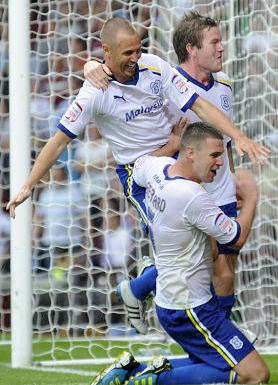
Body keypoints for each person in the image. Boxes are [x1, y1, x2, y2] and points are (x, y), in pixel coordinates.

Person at [7, 17, 269, 333]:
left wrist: (237, 136)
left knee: (216, 254)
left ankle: (151, 289)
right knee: (202, 246)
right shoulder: (94, 93)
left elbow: (199, 105)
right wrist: (27, 185)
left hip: (174, 157)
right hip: (141, 171)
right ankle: (158, 292)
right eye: (128, 53)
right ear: (106, 51)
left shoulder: (155, 66)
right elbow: (59, 140)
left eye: (138, 50)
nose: (135, 58)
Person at [90, 123, 269, 385]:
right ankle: (148, 379)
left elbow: (137, 168)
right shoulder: (192, 196)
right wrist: (252, 197)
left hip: (173, 298)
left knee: (210, 362)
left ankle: (131, 369)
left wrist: (171, 145)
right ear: (190, 153)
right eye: (214, 155)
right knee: (255, 375)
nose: (220, 163)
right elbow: (236, 238)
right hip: (190, 306)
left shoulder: (158, 170)